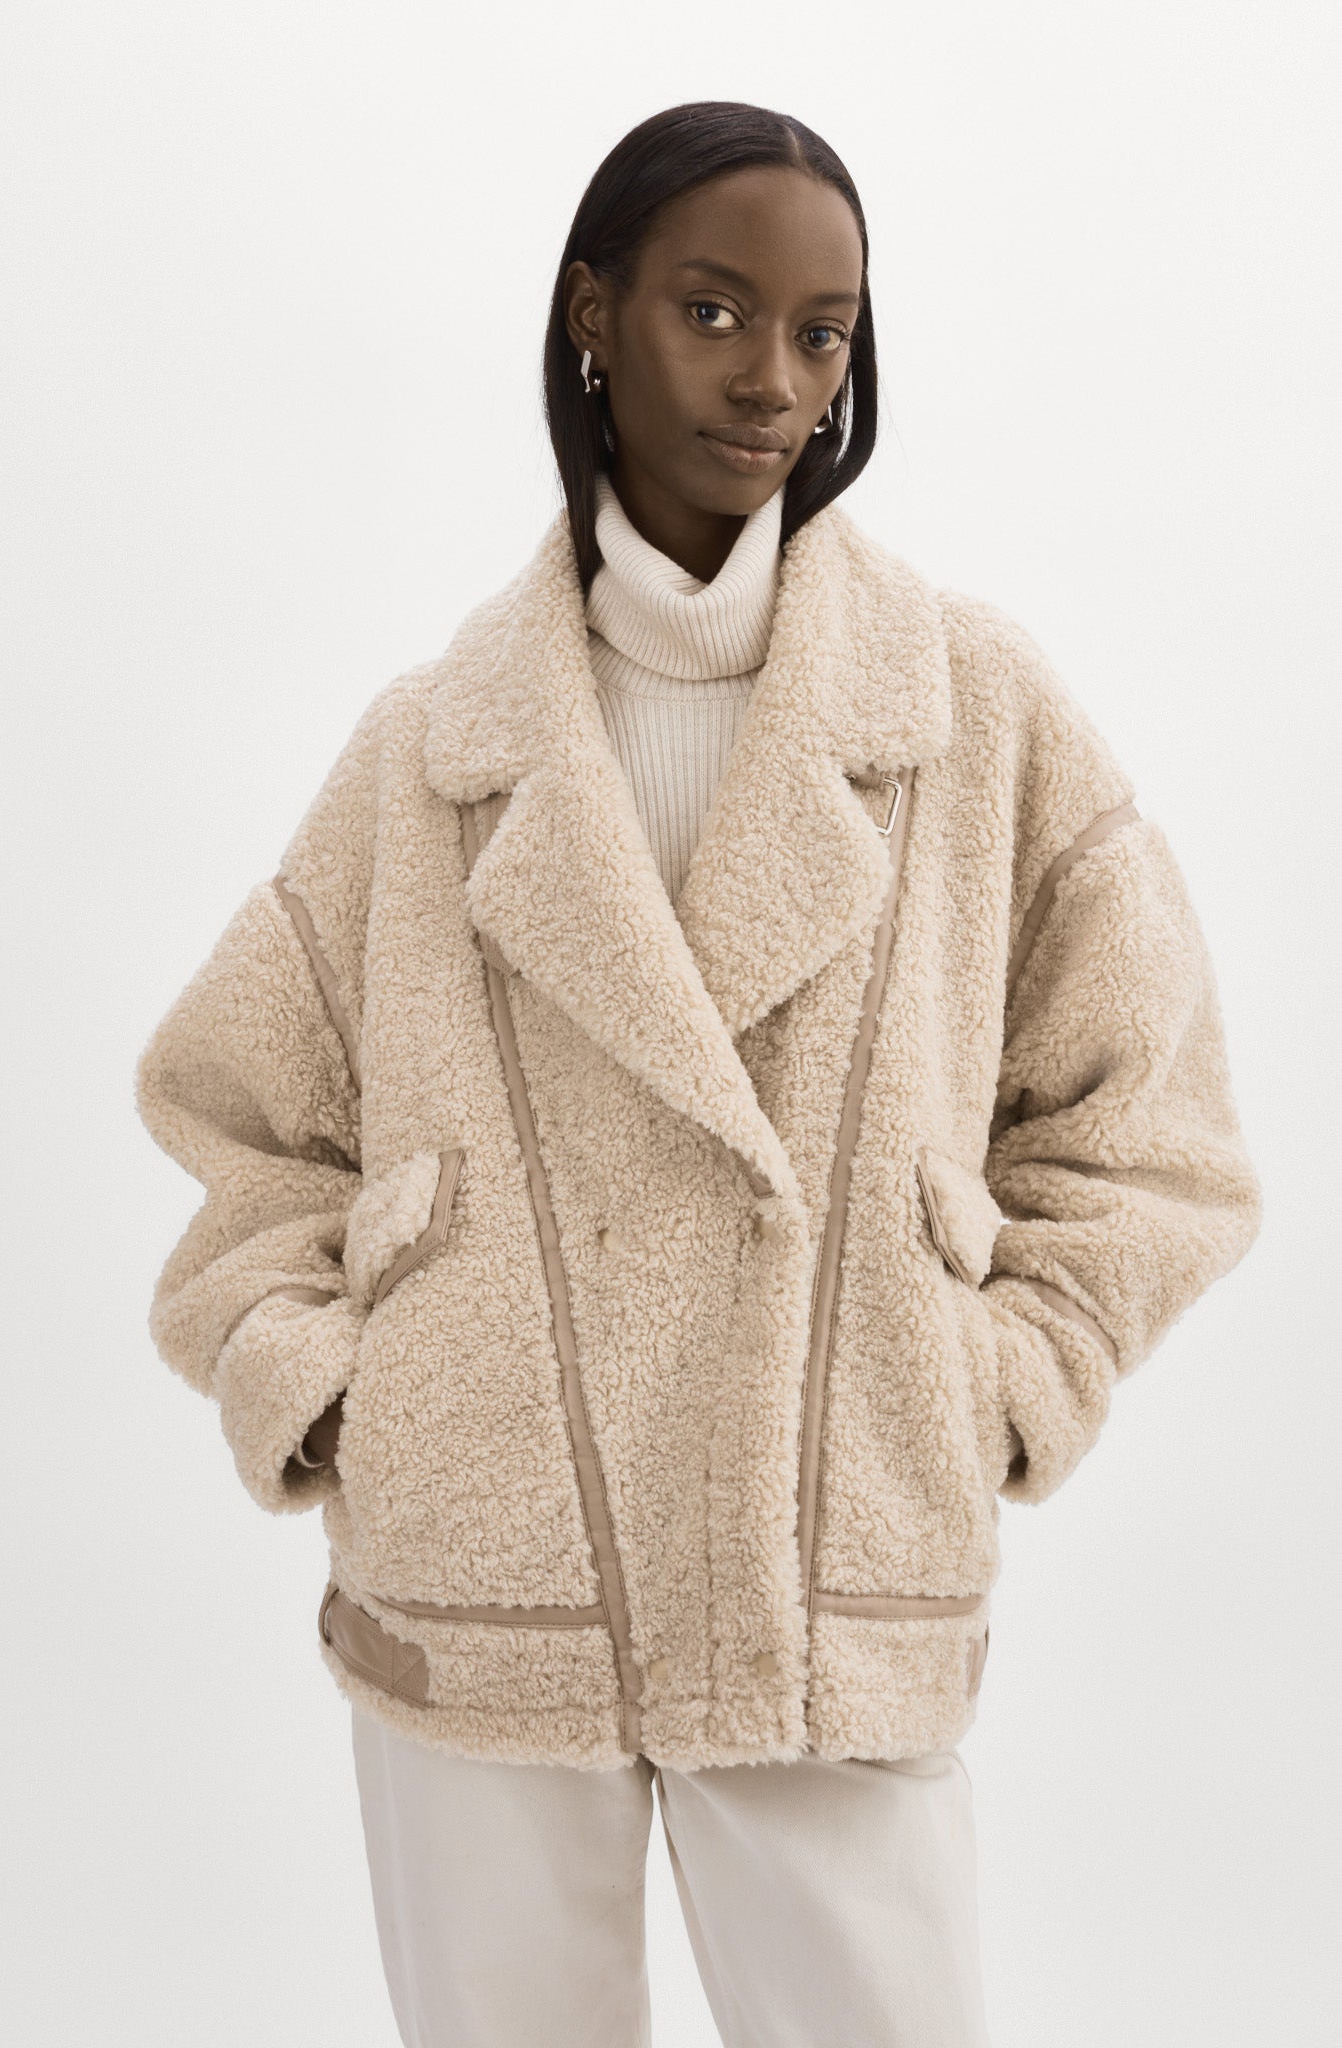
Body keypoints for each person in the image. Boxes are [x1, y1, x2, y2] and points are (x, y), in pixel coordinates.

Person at [136, 100, 1261, 2048]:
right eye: (714, 311)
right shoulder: (433, 745)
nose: (773, 382)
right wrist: (336, 1392)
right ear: (596, 315)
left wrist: (988, 1377)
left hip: (829, 1552)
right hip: (484, 1565)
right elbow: (239, 1107)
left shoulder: (970, 711)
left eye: (823, 333)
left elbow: (1149, 1128)